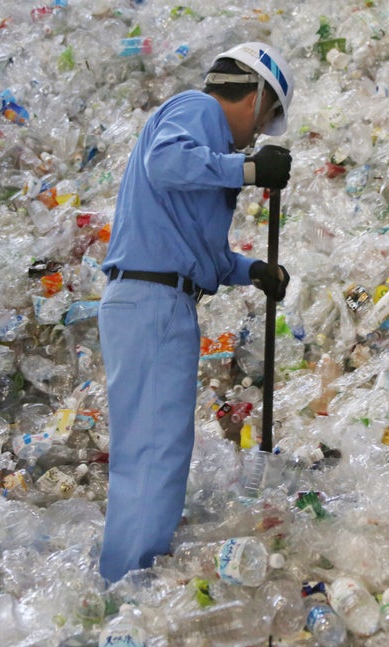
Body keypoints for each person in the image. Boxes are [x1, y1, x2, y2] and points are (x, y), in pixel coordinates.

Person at [97, 42, 295, 583]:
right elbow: (167, 162)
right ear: (254, 97)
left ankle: (127, 574)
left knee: (152, 450)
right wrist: (248, 169)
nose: (257, 135)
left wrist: (249, 269)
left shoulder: (201, 139)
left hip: (154, 300)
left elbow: (195, 249)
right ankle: (127, 588)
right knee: (155, 454)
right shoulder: (198, 109)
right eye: (265, 119)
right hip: (153, 303)